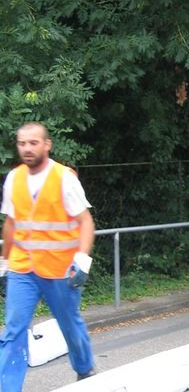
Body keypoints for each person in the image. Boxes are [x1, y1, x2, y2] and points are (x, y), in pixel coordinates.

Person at [0, 122, 96, 391]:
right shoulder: (14, 178)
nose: (27, 149)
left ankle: (84, 368)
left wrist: (82, 259)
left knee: (69, 324)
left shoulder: (64, 178)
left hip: (59, 270)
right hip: (23, 268)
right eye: (22, 143)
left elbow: (85, 221)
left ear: (46, 145)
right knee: (13, 332)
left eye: (33, 143)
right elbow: (11, 223)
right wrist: (4, 261)